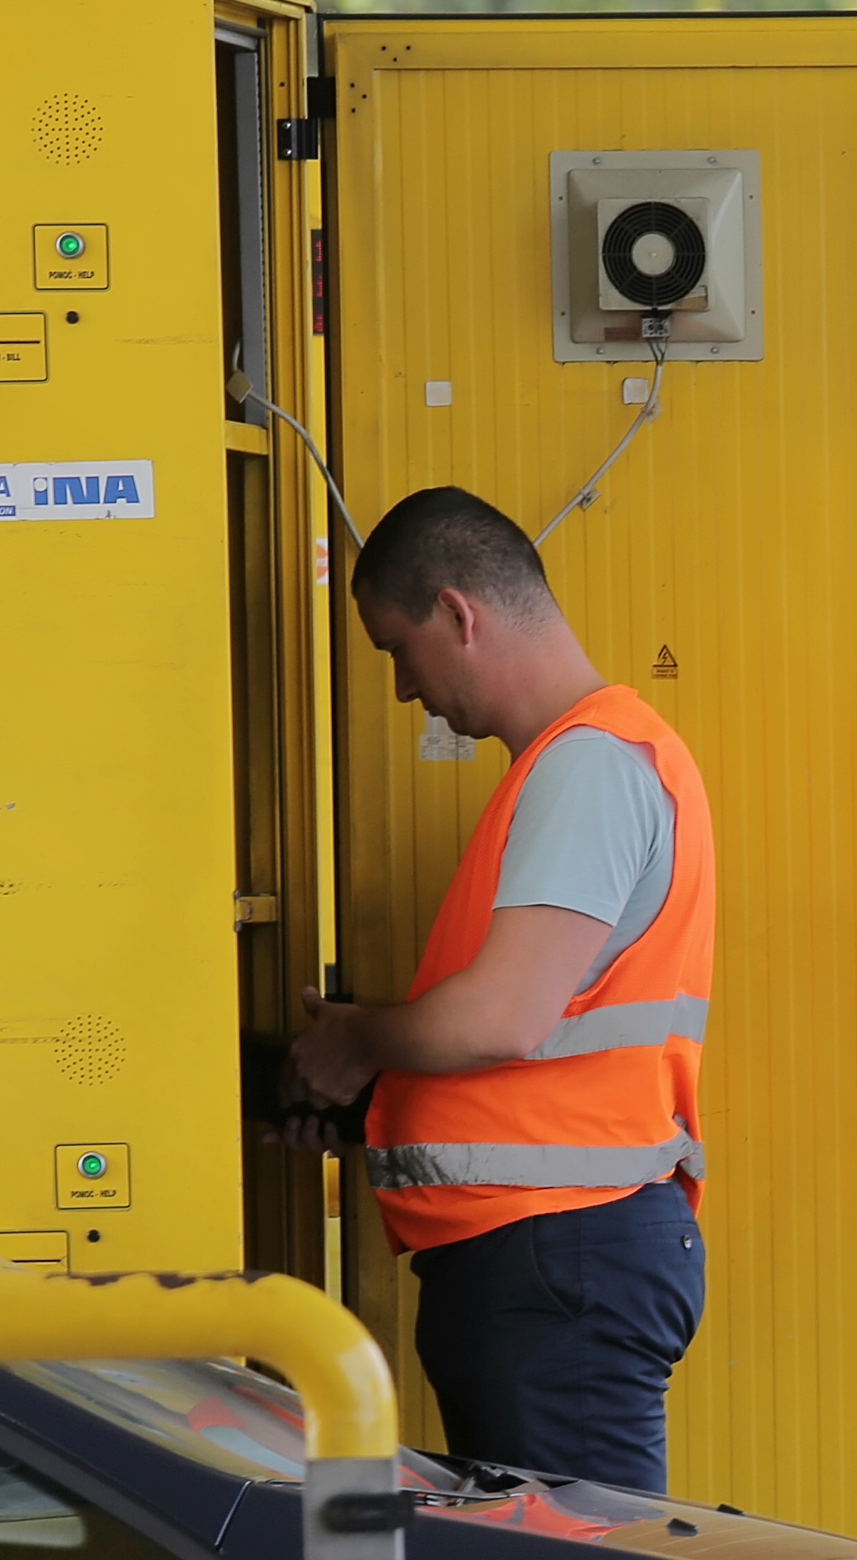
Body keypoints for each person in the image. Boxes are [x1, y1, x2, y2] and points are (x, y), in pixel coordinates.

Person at [288, 486, 713, 1493]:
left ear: (458, 614)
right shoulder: (583, 765)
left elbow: (502, 1017)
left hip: (557, 1255)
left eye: (396, 648)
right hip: (553, 1254)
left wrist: (360, 1042)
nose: (402, 689)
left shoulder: (590, 768)